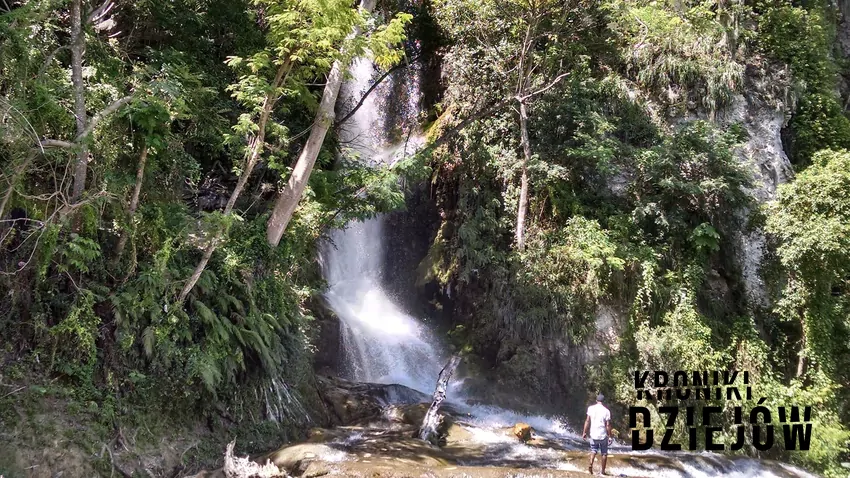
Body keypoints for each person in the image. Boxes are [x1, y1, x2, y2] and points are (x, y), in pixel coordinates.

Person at [582, 393, 612, 475]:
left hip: (593, 433)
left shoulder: (590, 408)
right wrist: (610, 436)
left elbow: (587, 421)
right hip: (602, 434)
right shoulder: (606, 411)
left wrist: (584, 432)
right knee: (604, 453)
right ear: (603, 401)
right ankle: (603, 471)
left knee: (593, 450)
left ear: (596, 400)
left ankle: (590, 464)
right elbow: (608, 425)